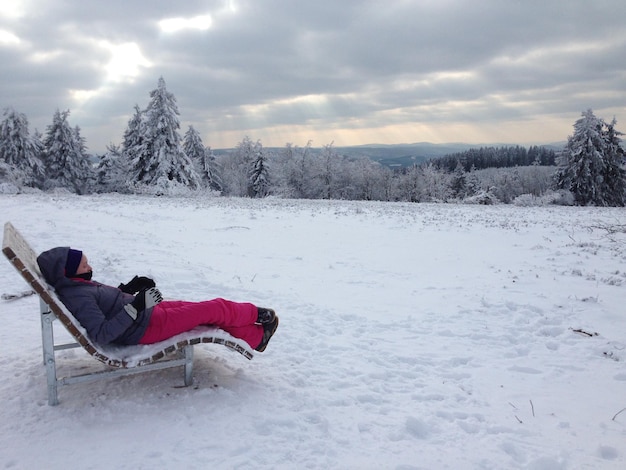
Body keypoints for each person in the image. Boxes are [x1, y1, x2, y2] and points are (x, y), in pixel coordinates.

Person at [36, 247, 279, 352]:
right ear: (67, 271)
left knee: (203, 311)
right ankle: (258, 317)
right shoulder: (77, 296)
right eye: (84, 264)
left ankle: (256, 336)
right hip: (145, 327)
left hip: (145, 316)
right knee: (213, 308)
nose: (89, 266)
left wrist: (128, 290)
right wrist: (136, 306)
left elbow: (105, 307)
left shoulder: (76, 286)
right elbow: (101, 333)